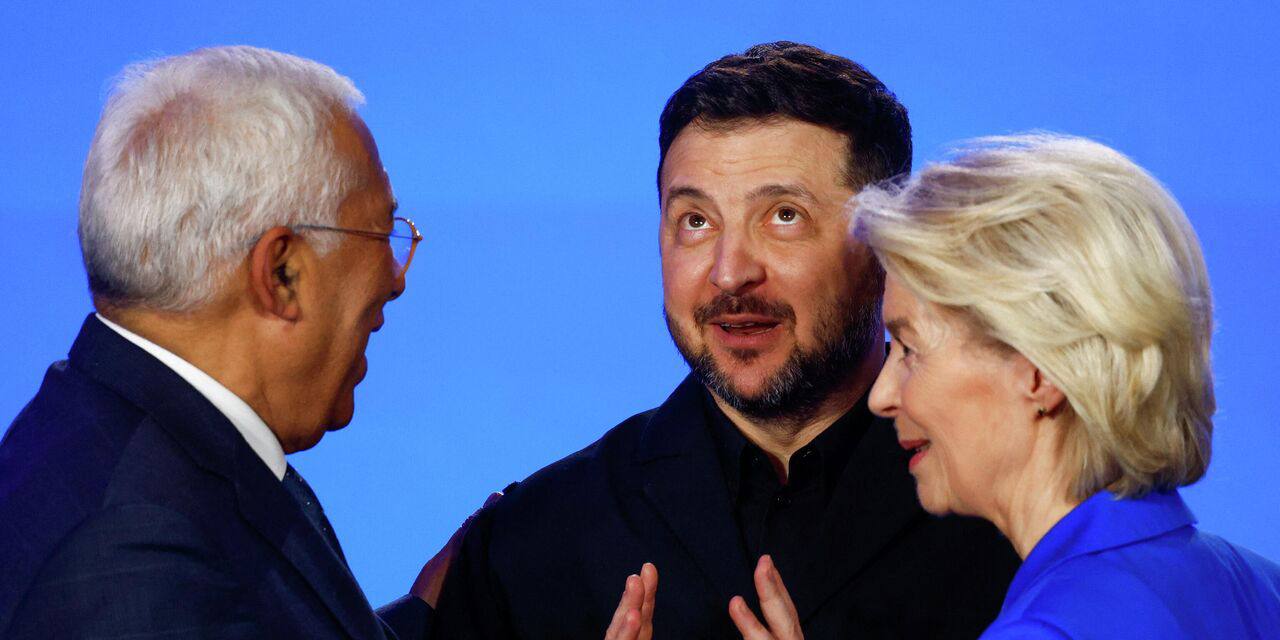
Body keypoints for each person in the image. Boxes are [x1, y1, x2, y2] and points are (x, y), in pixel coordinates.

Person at [431, 42, 1019, 639]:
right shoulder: (532, 541)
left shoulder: (1017, 515)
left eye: (783, 216)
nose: (730, 273)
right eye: (696, 221)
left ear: (886, 245)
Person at [716, 134, 1280, 639]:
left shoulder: (1047, 629)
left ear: (1039, 369)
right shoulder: (1263, 588)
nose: (882, 395)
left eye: (910, 349)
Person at [0, 46, 445, 638]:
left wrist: (436, 614)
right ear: (281, 273)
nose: (395, 279)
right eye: (381, 232)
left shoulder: (130, 432)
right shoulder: (132, 555)